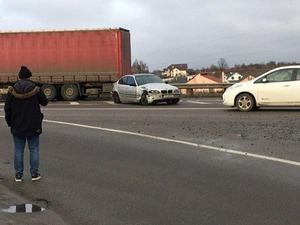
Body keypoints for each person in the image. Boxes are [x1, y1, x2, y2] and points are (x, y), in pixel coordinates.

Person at [4, 66, 48, 182]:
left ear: (19, 77)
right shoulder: (35, 89)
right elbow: (44, 102)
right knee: (33, 148)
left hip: (17, 124)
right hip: (33, 124)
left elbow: (7, 108)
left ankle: (18, 175)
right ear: (29, 77)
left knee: (18, 149)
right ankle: (34, 174)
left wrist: (10, 122)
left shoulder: (12, 90)